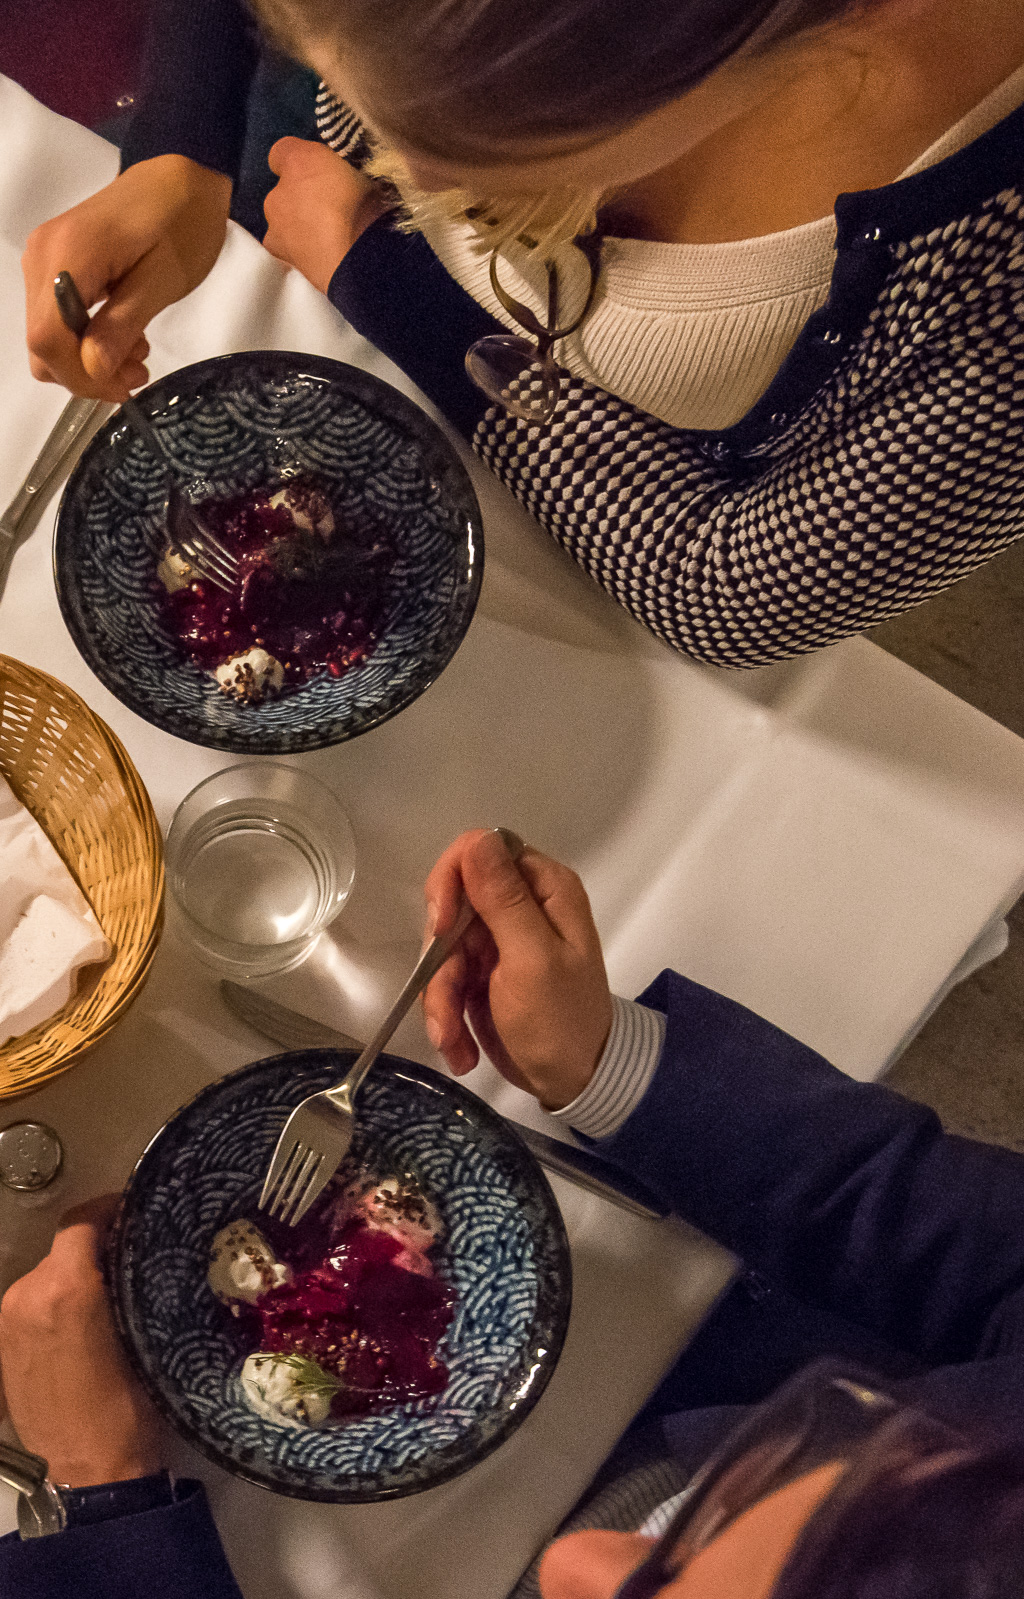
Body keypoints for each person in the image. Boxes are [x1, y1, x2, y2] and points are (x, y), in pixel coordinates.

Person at [3, 827, 1024, 1598]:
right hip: (718, 1341)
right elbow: (978, 1253)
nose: (574, 1564)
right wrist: (605, 1065)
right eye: (716, 1520)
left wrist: (105, 1507)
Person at [20, 0, 1024, 667]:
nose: (399, 169)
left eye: (480, 162)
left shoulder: (995, 285)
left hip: (593, 516)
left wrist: (381, 272)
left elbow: (730, 590)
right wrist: (182, 144)